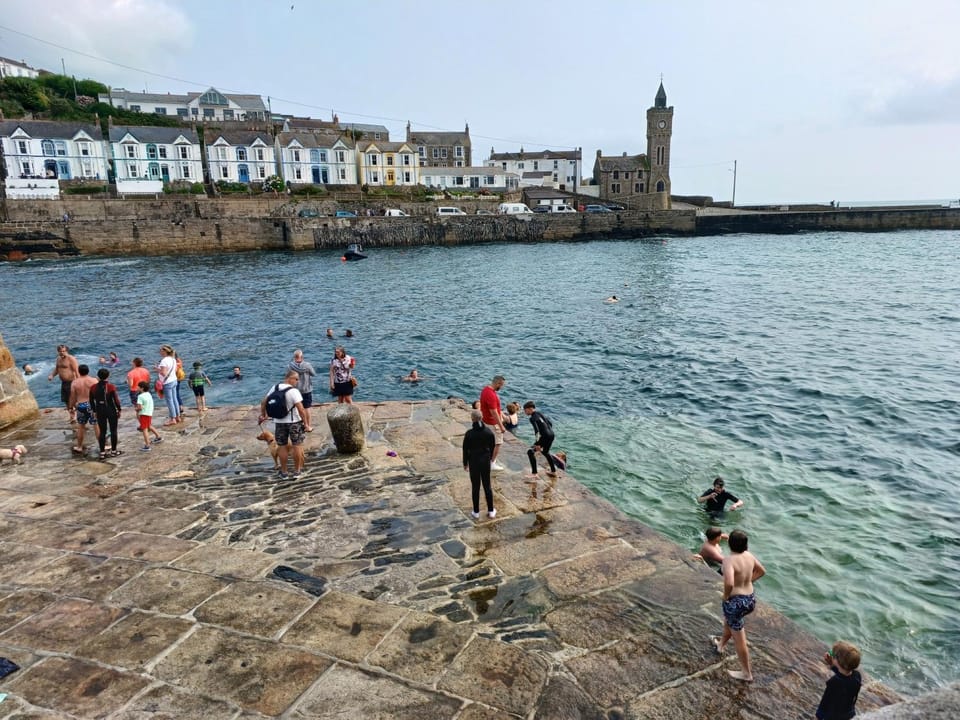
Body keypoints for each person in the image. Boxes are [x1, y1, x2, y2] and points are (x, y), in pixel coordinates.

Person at [712, 529, 766, 681]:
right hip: (749, 598)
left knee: (740, 639)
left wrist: (726, 595)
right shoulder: (749, 555)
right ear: (746, 544)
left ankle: (746, 673)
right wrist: (748, 582)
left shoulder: (729, 560)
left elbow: (729, 582)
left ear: (729, 544)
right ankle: (721, 645)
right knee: (729, 622)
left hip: (736, 602)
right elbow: (762, 571)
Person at [259, 369, 307, 479]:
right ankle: (297, 471)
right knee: (297, 446)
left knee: (282, 447)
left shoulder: (275, 388)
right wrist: (306, 424)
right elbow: (301, 409)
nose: (297, 382)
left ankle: (284, 472)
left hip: (279, 422)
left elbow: (263, 402)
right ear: (289, 378)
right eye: (296, 379)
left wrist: (263, 415)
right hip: (294, 422)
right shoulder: (294, 391)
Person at [462, 409, 496, 520]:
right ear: (482, 418)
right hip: (485, 461)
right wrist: (490, 458)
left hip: (474, 461)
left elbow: (465, 449)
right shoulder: (489, 432)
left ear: (472, 419)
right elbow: (492, 447)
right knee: (487, 486)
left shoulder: (469, 434)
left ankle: (476, 511)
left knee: (475, 487)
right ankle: (491, 511)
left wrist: (465, 463)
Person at [816, 641, 862, 720]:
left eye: (832, 654)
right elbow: (844, 676)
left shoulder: (834, 682)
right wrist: (832, 664)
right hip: (849, 713)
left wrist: (818, 717)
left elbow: (824, 703)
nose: (831, 654)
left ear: (837, 660)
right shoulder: (857, 675)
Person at [89, 368, 123, 460]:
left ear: (98, 376)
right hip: (110, 410)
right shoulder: (111, 387)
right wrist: (119, 409)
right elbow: (116, 400)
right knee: (113, 431)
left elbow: (91, 401)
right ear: (108, 376)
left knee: (102, 432)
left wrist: (94, 411)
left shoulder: (93, 387)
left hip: (100, 410)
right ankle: (114, 451)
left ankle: (102, 452)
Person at [68, 364, 99, 455]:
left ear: (79, 371)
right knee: (96, 425)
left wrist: (71, 407)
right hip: (92, 405)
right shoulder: (94, 380)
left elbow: (73, 397)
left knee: (81, 427)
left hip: (81, 405)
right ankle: (103, 445)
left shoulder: (75, 382)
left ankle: (79, 446)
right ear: (88, 371)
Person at [523, 401, 558, 478]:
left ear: (530, 409)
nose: (524, 412)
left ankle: (534, 474)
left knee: (530, 452)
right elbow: (550, 423)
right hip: (551, 434)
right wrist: (547, 431)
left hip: (545, 436)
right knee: (545, 452)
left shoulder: (532, 418)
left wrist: (538, 443)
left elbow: (537, 431)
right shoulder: (540, 413)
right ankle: (553, 471)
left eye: (525, 410)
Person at [479, 375, 507, 471]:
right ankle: (492, 463)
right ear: (498, 383)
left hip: (485, 420)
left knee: (487, 442)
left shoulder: (485, 390)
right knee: (498, 443)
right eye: (501, 385)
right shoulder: (491, 395)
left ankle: (484, 459)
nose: (502, 387)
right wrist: (501, 426)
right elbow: (494, 412)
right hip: (493, 423)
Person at [47, 344, 79, 420]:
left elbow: (77, 371)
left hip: (72, 382)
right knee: (66, 401)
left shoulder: (71, 359)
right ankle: (72, 416)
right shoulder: (58, 359)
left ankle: (82, 413)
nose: (62, 352)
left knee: (74, 401)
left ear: (67, 351)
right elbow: (57, 369)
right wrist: (52, 375)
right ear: (58, 351)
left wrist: (79, 382)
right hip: (64, 383)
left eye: (64, 351)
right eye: (60, 351)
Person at [288, 349, 316, 431]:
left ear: (294, 357)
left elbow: (288, 377)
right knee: (307, 408)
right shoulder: (307, 365)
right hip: (306, 389)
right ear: (302, 356)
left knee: (298, 408)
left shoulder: (290, 366)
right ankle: (308, 426)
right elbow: (313, 374)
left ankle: (303, 424)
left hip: (295, 390)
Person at [157, 345, 181, 425]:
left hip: (167, 382)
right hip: (174, 380)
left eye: (161, 350)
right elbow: (175, 369)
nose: (160, 352)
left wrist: (157, 369)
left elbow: (163, 373)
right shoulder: (173, 359)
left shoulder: (164, 361)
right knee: (175, 400)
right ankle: (178, 416)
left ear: (164, 351)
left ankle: (172, 419)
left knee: (169, 401)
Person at [135, 380, 163, 451]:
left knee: (144, 429)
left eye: (138, 387)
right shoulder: (148, 394)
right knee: (149, 426)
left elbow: (140, 407)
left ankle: (147, 445)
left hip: (144, 413)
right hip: (149, 413)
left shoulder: (140, 396)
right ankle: (158, 437)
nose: (137, 388)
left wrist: (136, 409)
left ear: (142, 388)